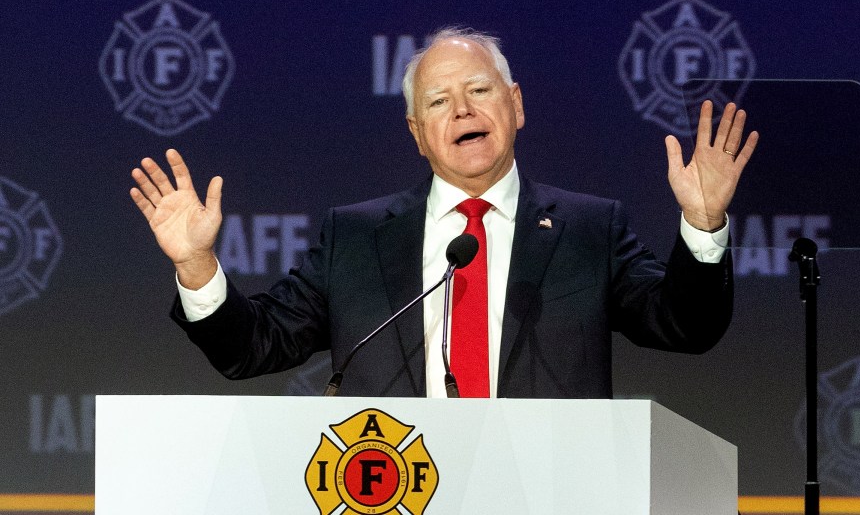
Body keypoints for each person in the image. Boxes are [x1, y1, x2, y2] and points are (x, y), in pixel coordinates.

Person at [130, 27, 758, 398]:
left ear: (514, 106)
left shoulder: (589, 229)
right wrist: (197, 265)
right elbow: (254, 348)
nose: (462, 110)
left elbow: (684, 327)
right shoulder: (354, 237)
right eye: (439, 101)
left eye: (479, 91)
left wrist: (702, 228)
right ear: (417, 133)